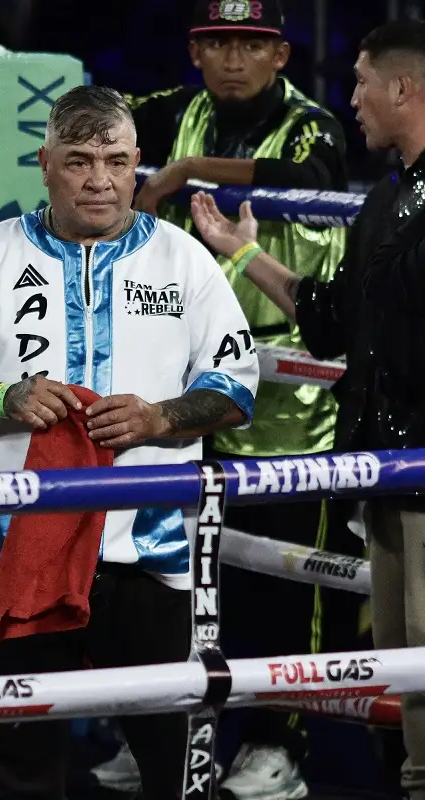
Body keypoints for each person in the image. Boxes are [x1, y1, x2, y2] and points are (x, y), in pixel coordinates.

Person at [0, 85, 259, 800]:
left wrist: (160, 416)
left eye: (116, 160)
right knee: (15, 768)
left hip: (148, 553)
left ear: (137, 163)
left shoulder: (183, 260)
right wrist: (2, 396)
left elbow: (236, 386)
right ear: (44, 163)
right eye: (79, 161)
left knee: (176, 764)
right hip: (17, 550)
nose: (100, 179)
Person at [98, 3, 354, 795]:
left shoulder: (313, 127)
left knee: (291, 583)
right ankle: (162, 729)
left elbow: (316, 180)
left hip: (292, 394)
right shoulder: (168, 110)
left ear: (279, 53)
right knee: (184, 573)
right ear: (195, 52)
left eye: (250, 44)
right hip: (187, 378)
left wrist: (181, 174)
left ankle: (282, 741)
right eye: (218, 44)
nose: (234, 59)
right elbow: (93, 123)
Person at [190, 21, 425, 800]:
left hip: (420, 464)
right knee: (401, 664)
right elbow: (330, 318)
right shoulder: (387, 199)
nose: (350, 99)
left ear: (403, 89)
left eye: (361, 82)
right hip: (385, 474)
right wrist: (241, 251)